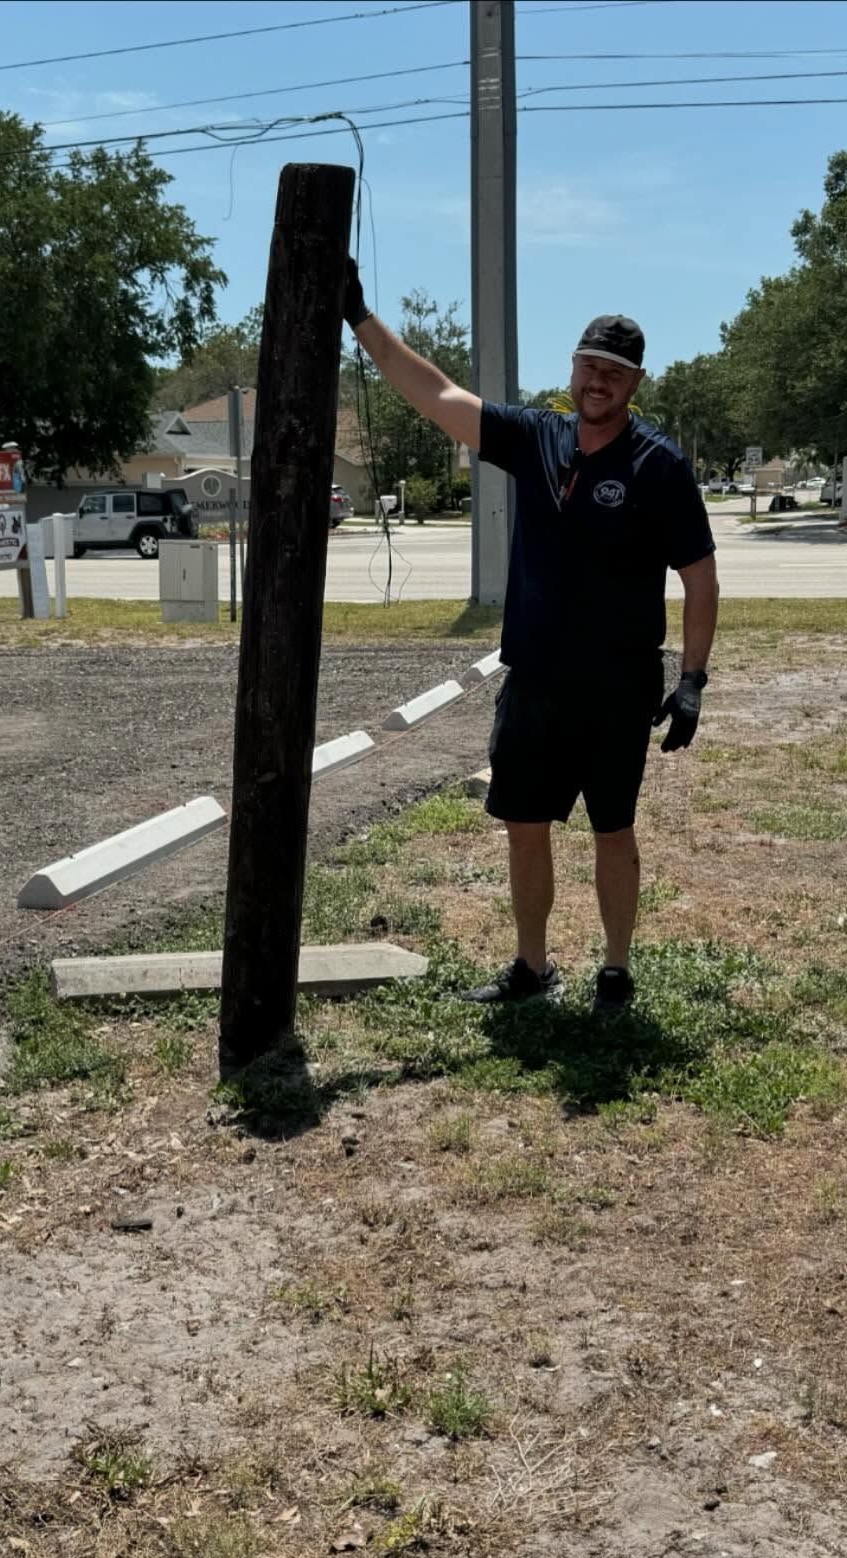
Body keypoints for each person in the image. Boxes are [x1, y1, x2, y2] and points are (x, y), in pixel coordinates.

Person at [344, 260, 718, 1013]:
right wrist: (359, 317)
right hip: (537, 680)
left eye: (615, 372)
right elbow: (436, 393)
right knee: (525, 825)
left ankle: (615, 968)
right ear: (573, 367)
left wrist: (692, 681)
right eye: (590, 365)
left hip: (618, 687)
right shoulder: (534, 438)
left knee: (613, 829)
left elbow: (701, 579)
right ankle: (531, 965)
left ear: (635, 383)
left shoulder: (660, 465)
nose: (599, 381)